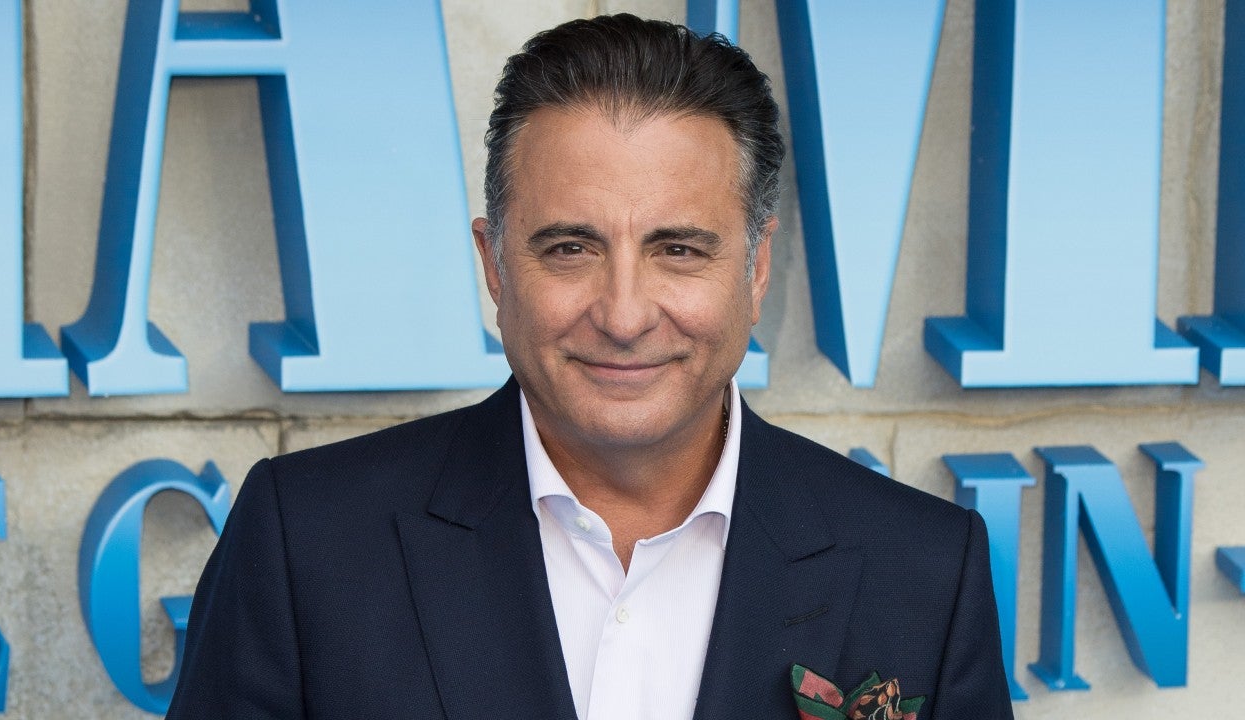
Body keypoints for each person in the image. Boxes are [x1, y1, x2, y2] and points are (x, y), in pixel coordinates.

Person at [167, 13, 1014, 720]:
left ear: (756, 269)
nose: (623, 314)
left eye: (678, 249)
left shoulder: (925, 569)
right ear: (495, 265)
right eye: (570, 248)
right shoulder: (306, 541)